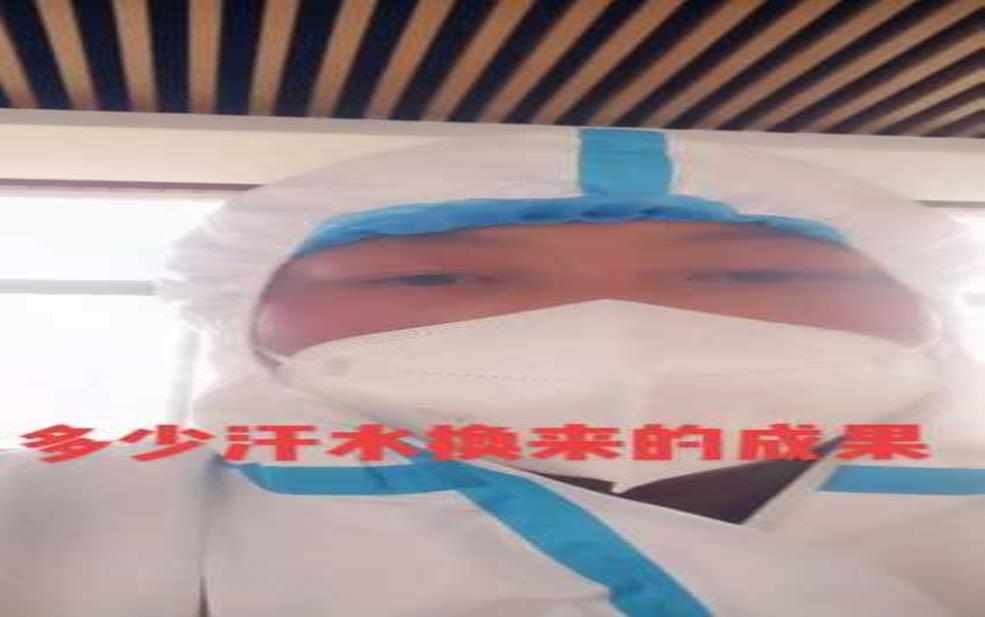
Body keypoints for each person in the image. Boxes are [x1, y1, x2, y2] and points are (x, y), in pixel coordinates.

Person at [1, 128, 981, 616]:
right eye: (432, 275)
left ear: (929, 319)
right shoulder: (61, 515)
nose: (612, 322)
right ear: (245, 322)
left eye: (757, 273)